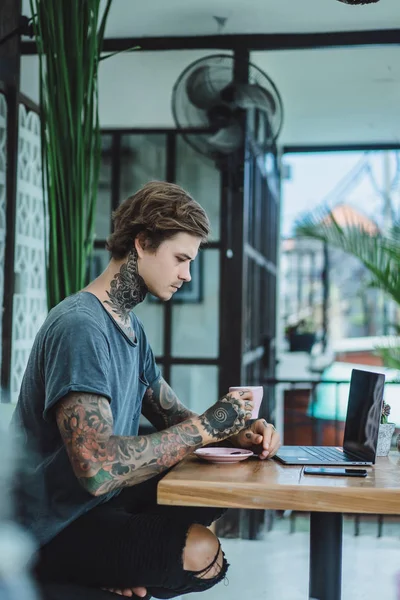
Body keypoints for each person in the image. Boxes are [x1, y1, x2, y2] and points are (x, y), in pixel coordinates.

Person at [11, 181, 281, 600]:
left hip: (100, 506)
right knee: (201, 552)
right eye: (180, 258)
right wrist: (209, 426)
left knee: (217, 492)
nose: (187, 273)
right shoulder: (81, 326)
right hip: (48, 529)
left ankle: (107, 576)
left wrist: (235, 433)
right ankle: (77, 580)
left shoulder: (129, 327)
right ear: (141, 243)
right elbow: (97, 469)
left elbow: (173, 417)